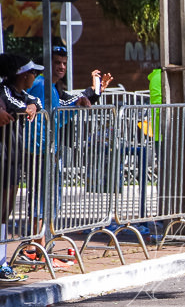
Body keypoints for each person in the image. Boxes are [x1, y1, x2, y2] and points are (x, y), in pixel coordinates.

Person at [25, 45, 111, 259]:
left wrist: (93, 93)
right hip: (39, 151)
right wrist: (41, 148)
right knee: (40, 199)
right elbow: (37, 117)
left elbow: (61, 112)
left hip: (51, 150)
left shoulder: (52, 87)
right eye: (57, 62)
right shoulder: (40, 84)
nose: (61, 67)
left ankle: (43, 247)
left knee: (51, 199)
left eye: (64, 63)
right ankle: (35, 248)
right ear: (48, 64)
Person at [0, 54, 43, 282]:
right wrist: (28, 106)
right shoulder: (4, 91)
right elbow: (16, 106)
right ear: (23, 74)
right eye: (33, 72)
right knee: (1, 213)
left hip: (13, 160)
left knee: (4, 214)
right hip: (3, 159)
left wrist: (33, 104)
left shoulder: (22, 94)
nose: (36, 76)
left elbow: (35, 101)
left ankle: (2, 263)